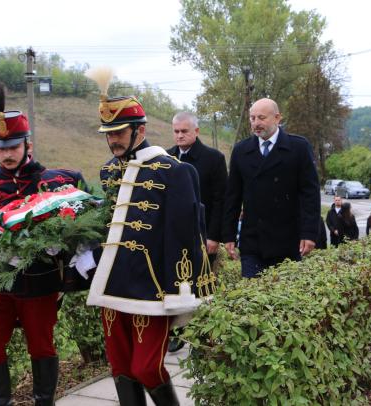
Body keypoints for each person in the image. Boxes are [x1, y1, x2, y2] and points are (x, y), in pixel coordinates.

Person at [85, 86, 215, 405]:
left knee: (146, 367)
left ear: (139, 130)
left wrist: (181, 290)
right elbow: (109, 226)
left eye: (119, 132)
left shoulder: (175, 171)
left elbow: (184, 234)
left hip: (151, 289)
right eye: (108, 133)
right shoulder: (108, 171)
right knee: (120, 367)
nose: (112, 140)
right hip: (112, 288)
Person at [0, 83, 87, 405]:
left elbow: (71, 229)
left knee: (42, 346)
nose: (7, 153)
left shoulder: (56, 181)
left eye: (13, 146)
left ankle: (44, 401)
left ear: (27, 144)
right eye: (0, 147)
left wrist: (56, 246)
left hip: (39, 283)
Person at [222, 98, 320, 278]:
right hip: (253, 241)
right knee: (252, 298)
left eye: (261, 118)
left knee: (286, 299)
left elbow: (310, 194)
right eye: (252, 118)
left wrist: (309, 233)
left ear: (277, 118)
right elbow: (232, 197)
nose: (256, 123)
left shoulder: (298, 147)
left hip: (288, 240)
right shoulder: (241, 151)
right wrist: (228, 234)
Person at [166, 111, 227, 353]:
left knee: (202, 284)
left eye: (184, 131)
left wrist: (215, 236)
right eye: (176, 131)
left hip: (203, 234)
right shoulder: (166, 157)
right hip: (175, 235)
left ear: (196, 131)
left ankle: (204, 333)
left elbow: (221, 200)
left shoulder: (213, 159)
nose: (179, 136)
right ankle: (177, 331)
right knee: (176, 284)